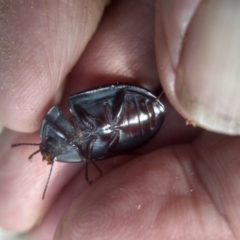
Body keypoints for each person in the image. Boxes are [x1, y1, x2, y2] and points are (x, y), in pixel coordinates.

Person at [0, 1, 239, 239]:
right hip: (128, 126)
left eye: (49, 146)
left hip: (127, 109)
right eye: (52, 149)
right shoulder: (81, 148)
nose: (52, 148)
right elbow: (97, 152)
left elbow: (80, 134)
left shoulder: (74, 125)